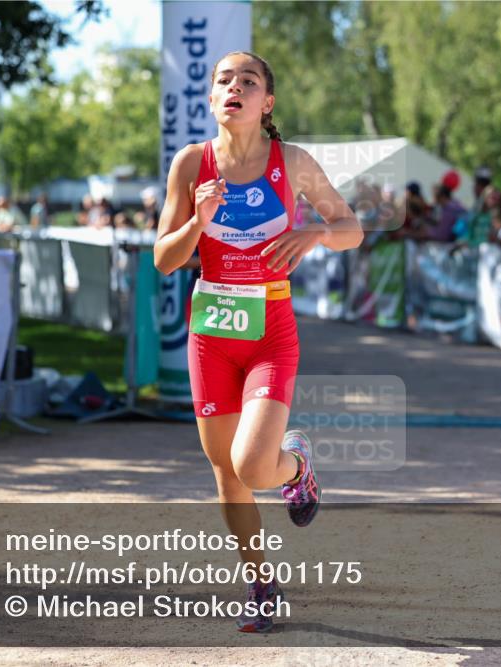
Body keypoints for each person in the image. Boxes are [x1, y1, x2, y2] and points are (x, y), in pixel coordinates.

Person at [153, 51, 363, 634]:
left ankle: (296, 468)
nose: (235, 87)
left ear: (266, 102)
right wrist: (197, 222)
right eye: (224, 79)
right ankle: (261, 584)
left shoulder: (291, 162)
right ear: (212, 97)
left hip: (270, 330)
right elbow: (164, 259)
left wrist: (314, 233)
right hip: (211, 333)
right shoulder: (190, 164)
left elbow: (351, 229)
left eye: (248, 81)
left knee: (252, 465)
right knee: (227, 471)